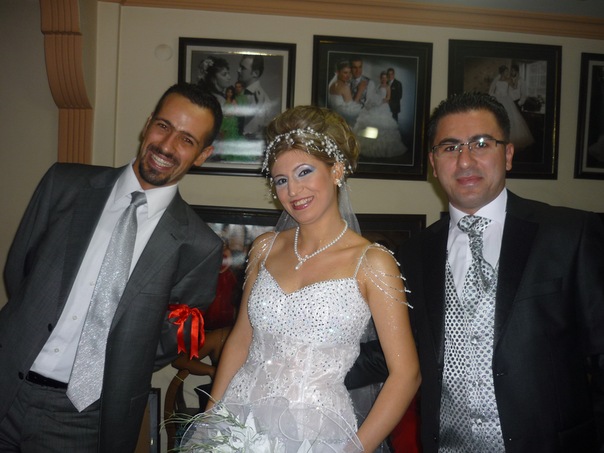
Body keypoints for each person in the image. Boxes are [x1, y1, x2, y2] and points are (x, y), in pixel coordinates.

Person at [348, 91, 604, 452]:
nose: (465, 160)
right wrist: (298, 365)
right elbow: (401, 349)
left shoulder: (569, 233)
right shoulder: (413, 254)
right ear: (433, 163)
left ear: (508, 154)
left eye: (481, 144)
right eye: (450, 147)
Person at [179, 105, 420, 452]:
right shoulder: (265, 248)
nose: (293, 191)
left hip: (315, 432)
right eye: (281, 180)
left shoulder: (372, 263)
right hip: (238, 420)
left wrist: (353, 450)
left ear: (336, 170)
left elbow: (406, 374)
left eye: (304, 172)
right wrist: (209, 419)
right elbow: (241, 340)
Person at [0, 82, 225, 452]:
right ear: (147, 124)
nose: (167, 146)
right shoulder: (63, 183)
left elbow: (164, 345)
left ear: (202, 155)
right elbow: (18, 270)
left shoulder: (199, 247)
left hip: (83, 419)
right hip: (6, 378)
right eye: (164, 126)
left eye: (187, 140)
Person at [353, 71, 408, 159]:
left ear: (387, 78)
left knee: (383, 125)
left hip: (383, 106)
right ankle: (370, 145)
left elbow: (388, 98)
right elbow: (374, 96)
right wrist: (375, 102)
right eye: (382, 78)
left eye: (385, 78)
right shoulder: (378, 86)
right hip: (377, 105)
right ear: (380, 78)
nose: (384, 79)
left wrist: (381, 101)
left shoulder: (388, 87)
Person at [489, 65, 534, 150]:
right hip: (498, 99)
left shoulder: (508, 80)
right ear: (502, 72)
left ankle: (508, 139)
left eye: (508, 71)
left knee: (510, 118)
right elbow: (491, 91)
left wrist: (516, 80)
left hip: (506, 100)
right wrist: (496, 96)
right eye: (506, 71)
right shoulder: (497, 80)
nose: (508, 73)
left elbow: (515, 87)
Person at [238, 54, 273, 138]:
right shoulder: (238, 92)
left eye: (243, 68)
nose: (238, 70)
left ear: (255, 73)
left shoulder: (262, 100)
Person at [328, 59, 362, 125]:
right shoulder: (344, 87)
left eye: (350, 72)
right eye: (345, 73)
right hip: (343, 119)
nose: (348, 76)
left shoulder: (332, 83)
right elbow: (352, 110)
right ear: (338, 72)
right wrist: (360, 91)